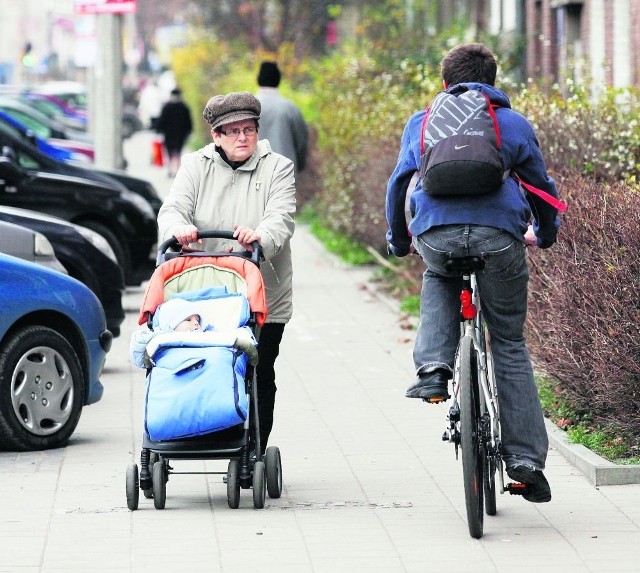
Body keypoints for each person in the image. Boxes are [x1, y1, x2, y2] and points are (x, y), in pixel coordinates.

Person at [385, 43, 561, 503]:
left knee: (438, 274)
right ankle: (524, 462)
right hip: (499, 237)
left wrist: (400, 240)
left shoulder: (422, 122)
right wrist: (545, 233)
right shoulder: (510, 123)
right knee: (508, 342)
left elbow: (398, 183)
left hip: (436, 235)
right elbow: (542, 188)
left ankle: (433, 368)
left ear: (445, 84)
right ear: (493, 82)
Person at [156, 91, 296, 457]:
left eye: (248, 129)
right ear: (215, 135)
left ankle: (255, 448)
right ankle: (208, 433)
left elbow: (281, 216)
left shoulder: (277, 166)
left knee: (259, 371)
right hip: (206, 292)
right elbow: (172, 209)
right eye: (232, 131)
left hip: (262, 290)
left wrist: (261, 237)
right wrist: (178, 229)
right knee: (208, 364)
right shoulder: (194, 166)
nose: (242, 137)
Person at [255, 61, 308, 175]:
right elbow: (301, 141)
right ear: (278, 80)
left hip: (252, 173)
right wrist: (299, 165)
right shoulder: (289, 108)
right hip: (284, 173)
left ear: (258, 79)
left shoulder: (247, 108)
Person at [130, 298, 208, 368]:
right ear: (171, 326)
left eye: (197, 320)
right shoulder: (163, 340)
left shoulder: (206, 336)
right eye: (188, 320)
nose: (196, 323)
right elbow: (139, 357)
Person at [155, 87, 193, 178]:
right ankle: (177, 170)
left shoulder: (167, 107)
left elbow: (161, 120)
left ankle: (170, 170)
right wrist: (188, 132)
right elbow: (189, 122)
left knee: (169, 153)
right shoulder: (184, 107)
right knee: (178, 152)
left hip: (168, 134)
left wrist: (158, 130)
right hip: (180, 134)